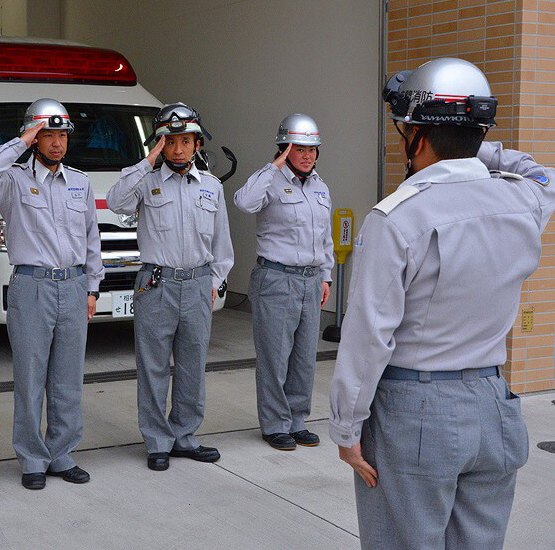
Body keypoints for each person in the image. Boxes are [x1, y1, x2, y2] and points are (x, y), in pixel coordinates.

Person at [329, 57, 553, 549]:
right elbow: (539, 173)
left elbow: (369, 336)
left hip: (415, 411)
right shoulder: (526, 202)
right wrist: (475, 145)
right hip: (494, 405)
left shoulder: (395, 219)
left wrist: (347, 428)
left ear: (419, 137)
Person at [0, 98, 104, 490]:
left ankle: (61, 454)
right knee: (30, 377)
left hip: (74, 284)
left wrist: (93, 287)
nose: (57, 143)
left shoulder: (79, 181)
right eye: (48, 135)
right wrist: (20, 141)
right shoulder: (11, 180)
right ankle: (32, 458)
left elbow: (91, 238)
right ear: (34, 137)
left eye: (62, 135)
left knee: (67, 377)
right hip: (32, 285)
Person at [106, 102, 233, 471]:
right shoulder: (145, 182)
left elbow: (222, 243)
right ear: (160, 144)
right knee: (154, 367)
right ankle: (157, 441)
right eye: (170, 142)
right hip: (156, 283)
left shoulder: (210, 187)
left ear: (197, 144)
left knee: (192, 365)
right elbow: (116, 201)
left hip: (196, 282)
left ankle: (184, 436)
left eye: (185, 142)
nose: (178, 149)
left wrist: (216, 280)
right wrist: (148, 161)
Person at [233, 114, 333, 451]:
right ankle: (275, 424)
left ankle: (297, 420)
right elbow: (243, 202)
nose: (307, 155)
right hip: (275, 279)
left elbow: (325, 237)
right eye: (299, 148)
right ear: (284, 148)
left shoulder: (320, 187)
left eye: (312, 149)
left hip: (309, 279)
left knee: (304, 357)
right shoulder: (271, 181)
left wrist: (326, 275)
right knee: (275, 357)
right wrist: (271, 168)